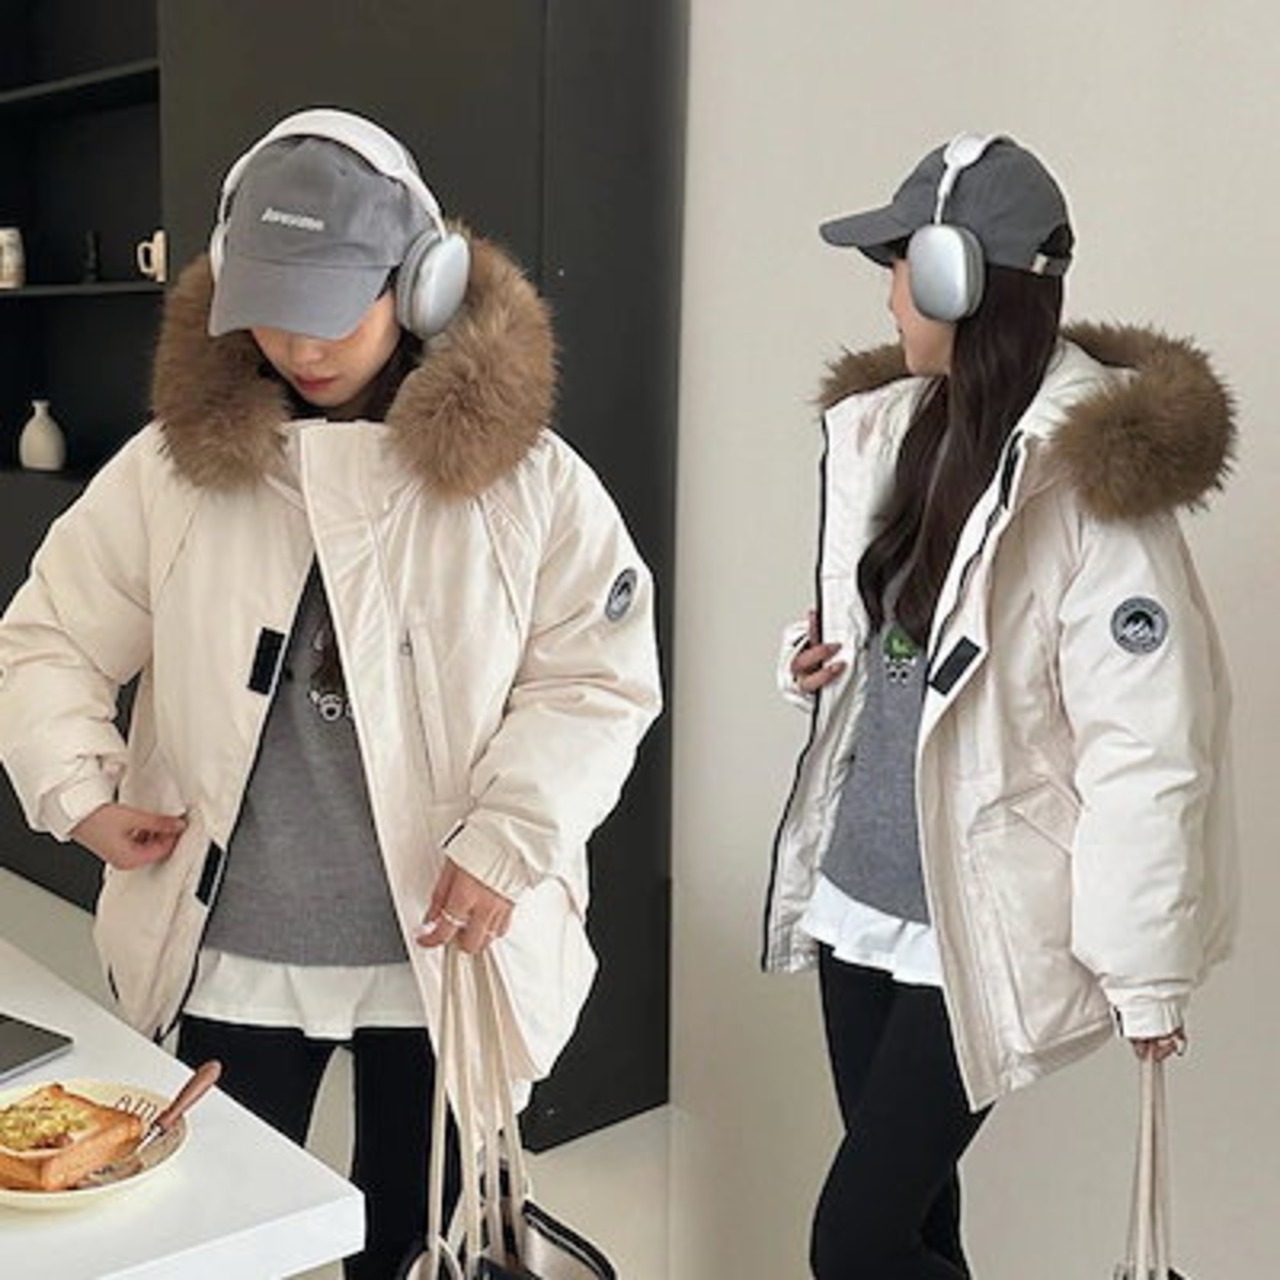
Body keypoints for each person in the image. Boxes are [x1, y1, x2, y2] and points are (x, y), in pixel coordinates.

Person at [0, 108, 660, 1278]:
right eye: (270, 310)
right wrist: (75, 787)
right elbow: (48, 635)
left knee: (415, 1249)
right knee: (212, 1243)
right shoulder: (168, 472)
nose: (301, 347)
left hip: (442, 950)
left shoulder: (530, 484)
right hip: (226, 947)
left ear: (421, 283)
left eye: (335, 311)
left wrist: (512, 836)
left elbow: (594, 681)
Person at [764, 131, 1237, 1278]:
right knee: (919, 1227)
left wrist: (1144, 969)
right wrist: (814, 659)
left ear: (954, 279)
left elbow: (1146, 741)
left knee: (854, 1244)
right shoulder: (894, 427)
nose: (885, 298)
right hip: (859, 891)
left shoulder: (1088, 485)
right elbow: (895, 638)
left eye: (897, 268)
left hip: (973, 916)